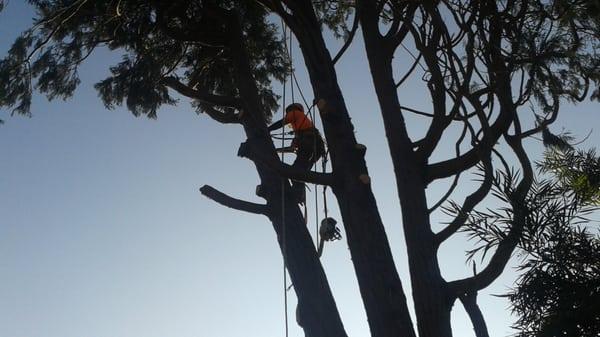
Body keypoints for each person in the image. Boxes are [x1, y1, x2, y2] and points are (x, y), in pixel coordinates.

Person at [268, 103, 325, 203]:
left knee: (297, 170)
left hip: (310, 143)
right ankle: (299, 196)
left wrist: (268, 129)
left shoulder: (296, 113)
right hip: (316, 147)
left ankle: (298, 195)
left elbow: (281, 122)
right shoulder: (300, 133)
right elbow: (291, 149)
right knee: (300, 171)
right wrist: (276, 150)